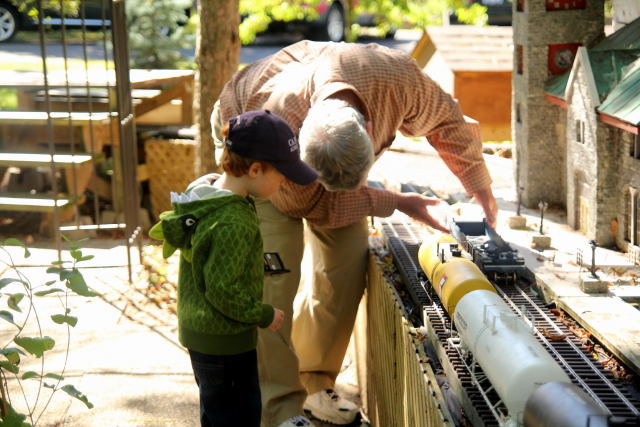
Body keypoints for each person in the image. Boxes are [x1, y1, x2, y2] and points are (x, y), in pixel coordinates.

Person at [211, 40, 498, 427]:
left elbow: (448, 121)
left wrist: (481, 190)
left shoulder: (399, 79)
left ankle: (312, 381)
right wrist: (398, 202)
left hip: (321, 159)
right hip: (259, 165)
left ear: (368, 128)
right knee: (272, 288)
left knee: (342, 273)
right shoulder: (281, 120)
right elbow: (307, 204)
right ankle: (278, 409)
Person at [150, 110, 319, 427]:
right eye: (281, 175)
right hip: (224, 341)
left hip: (204, 334)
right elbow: (221, 289)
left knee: (216, 412)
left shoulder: (208, 196)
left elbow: (215, 266)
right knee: (238, 415)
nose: (284, 183)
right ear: (255, 169)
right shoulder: (233, 220)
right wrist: (263, 313)